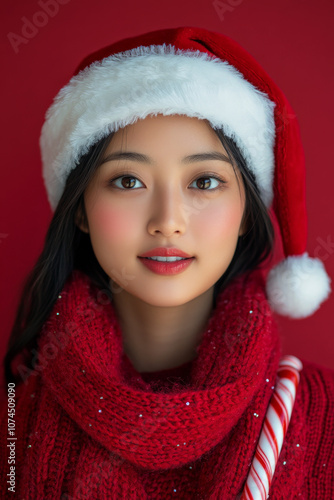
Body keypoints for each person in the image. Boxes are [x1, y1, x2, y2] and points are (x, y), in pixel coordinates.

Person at [0, 26, 333, 499]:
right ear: (80, 210)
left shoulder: (320, 414)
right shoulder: (14, 417)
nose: (168, 221)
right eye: (129, 181)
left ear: (245, 213)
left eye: (204, 182)